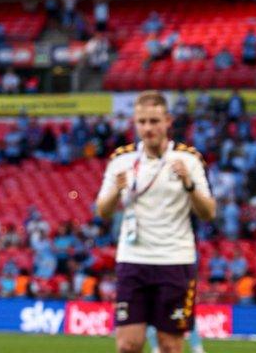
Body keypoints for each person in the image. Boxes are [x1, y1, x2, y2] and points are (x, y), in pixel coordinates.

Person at [96, 90, 216, 353]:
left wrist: (189, 184)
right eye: (142, 122)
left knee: (170, 347)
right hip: (132, 260)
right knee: (128, 345)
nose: (148, 128)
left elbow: (208, 212)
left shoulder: (188, 159)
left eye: (154, 121)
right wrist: (116, 190)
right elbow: (102, 211)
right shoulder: (121, 159)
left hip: (175, 261)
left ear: (168, 121)